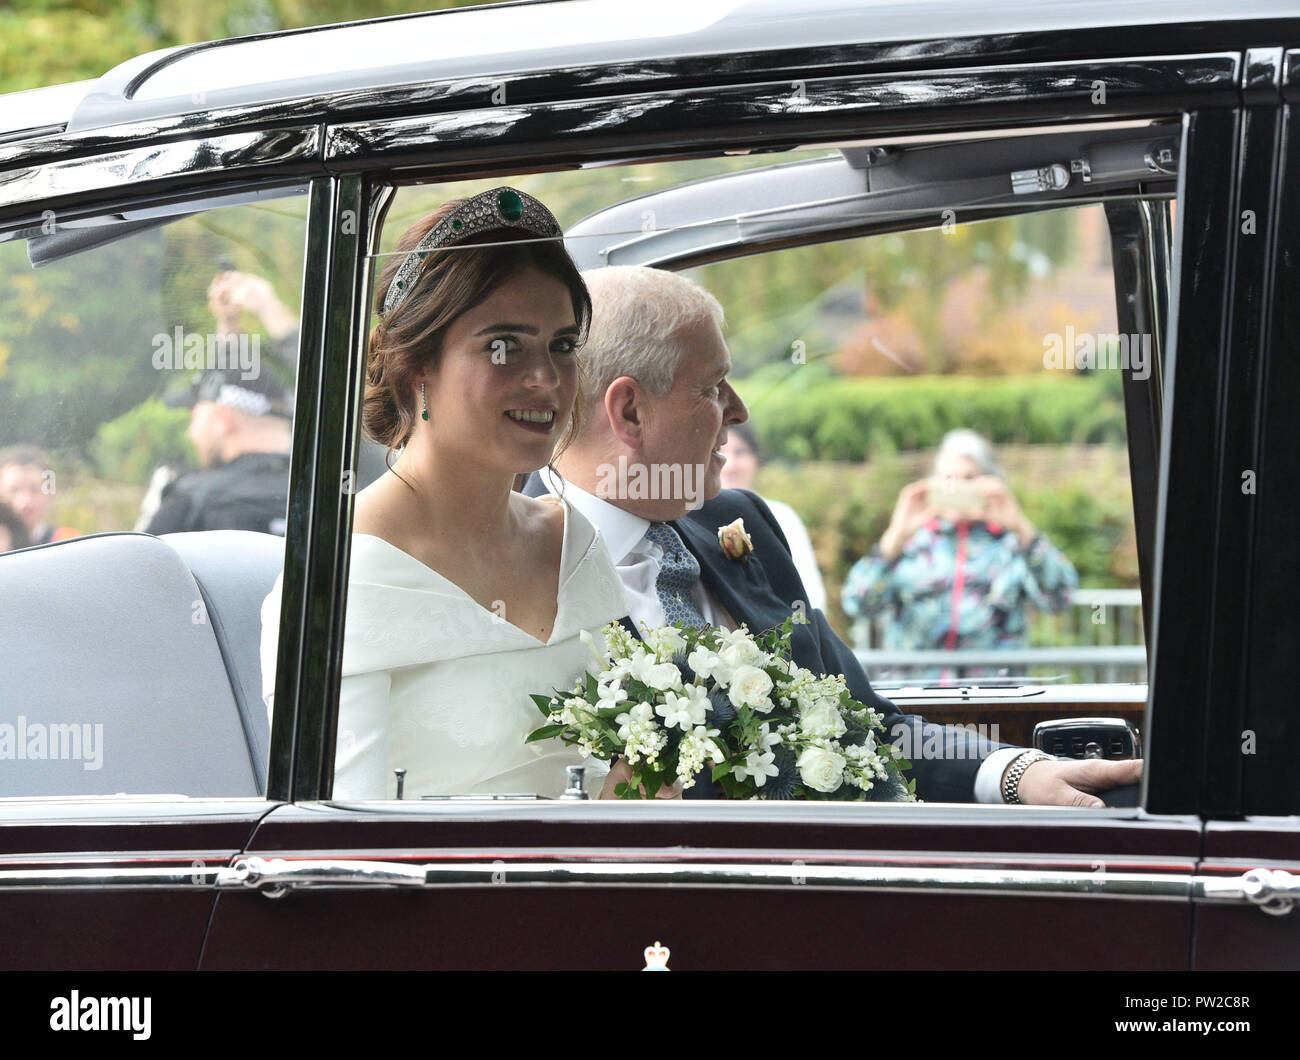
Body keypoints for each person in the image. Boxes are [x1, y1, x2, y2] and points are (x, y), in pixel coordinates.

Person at [527, 265, 1140, 806]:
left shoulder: (741, 524)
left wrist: (1014, 773)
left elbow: (865, 721)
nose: (740, 413)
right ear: (630, 412)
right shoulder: (515, 569)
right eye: (714, 387)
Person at [259, 187, 631, 801]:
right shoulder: (341, 574)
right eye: (502, 346)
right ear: (416, 365)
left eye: (562, 346)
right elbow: (334, 854)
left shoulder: (572, 542)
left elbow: (621, 772)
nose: (544, 380)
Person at [842, 429, 1078, 679]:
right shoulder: (911, 545)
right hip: (916, 701)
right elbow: (857, 603)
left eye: (969, 478)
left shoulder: (1011, 546)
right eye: (948, 478)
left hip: (993, 702)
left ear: (990, 483)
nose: (958, 487)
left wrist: (1022, 528)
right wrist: (895, 535)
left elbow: (1060, 598)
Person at [143, 368, 294, 535]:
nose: (190, 432)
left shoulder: (193, 503)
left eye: (194, 418)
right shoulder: (315, 494)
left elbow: (144, 559)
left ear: (224, 419)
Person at [718, 421, 827, 610]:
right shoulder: (689, 518)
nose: (730, 464)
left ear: (757, 459)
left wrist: (799, 632)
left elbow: (810, 593)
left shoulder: (782, 517)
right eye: (720, 451)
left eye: (740, 452)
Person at [0, 446, 80, 546]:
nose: (25, 502)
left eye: (34, 490)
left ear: (50, 494)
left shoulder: (69, 542)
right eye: (14, 490)